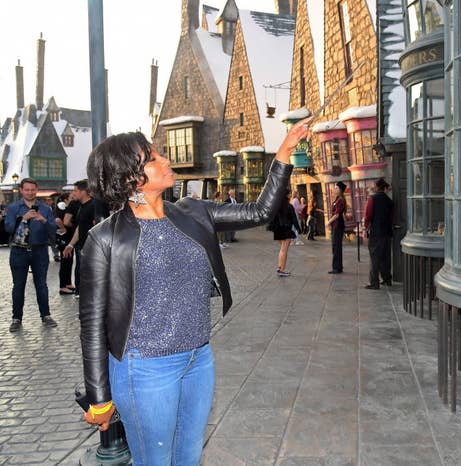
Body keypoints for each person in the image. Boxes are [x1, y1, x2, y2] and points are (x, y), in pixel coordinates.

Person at [78, 119, 308, 465]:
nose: (165, 159)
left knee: (188, 456)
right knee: (156, 460)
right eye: (153, 158)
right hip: (145, 370)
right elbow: (92, 324)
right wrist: (99, 398)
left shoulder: (192, 212)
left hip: (198, 359)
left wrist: (286, 149)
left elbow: (260, 211)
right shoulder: (104, 238)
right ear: (130, 178)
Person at [4, 178, 58, 332]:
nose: (30, 192)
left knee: (41, 285)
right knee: (18, 286)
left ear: (36, 190)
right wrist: (22, 218)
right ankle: (16, 318)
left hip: (39, 251)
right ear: (21, 190)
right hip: (19, 251)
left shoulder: (45, 209)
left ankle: (46, 316)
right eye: (26, 189)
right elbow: (7, 229)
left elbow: (53, 231)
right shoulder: (14, 207)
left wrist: (43, 221)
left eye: (32, 189)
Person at [62, 179, 110, 298]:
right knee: (82, 273)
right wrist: (71, 245)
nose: (73, 193)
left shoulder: (95, 206)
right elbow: (80, 227)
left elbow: (100, 227)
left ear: (84, 192)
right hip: (82, 247)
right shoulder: (81, 207)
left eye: (75, 190)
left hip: (92, 249)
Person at [364, 178, 394, 289]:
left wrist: (365, 228)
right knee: (386, 257)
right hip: (387, 232)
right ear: (384, 188)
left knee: (374, 257)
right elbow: (391, 218)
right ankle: (387, 279)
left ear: (377, 187)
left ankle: (374, 282)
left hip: (376, 232)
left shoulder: (372, 199)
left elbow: (368, 216)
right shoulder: (390, 201)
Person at [269, 189, 300, 277]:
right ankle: (281, 269)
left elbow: (272, 218)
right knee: (284, 250)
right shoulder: (289, 206)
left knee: (282, 250)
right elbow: (294, 219)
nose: (291, 195)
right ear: (286, 195)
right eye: (289, 193)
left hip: (278, 230)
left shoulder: (277, 206)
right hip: (285, 229)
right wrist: (298, 229)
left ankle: (281, 268)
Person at [54, 192, 76, 294]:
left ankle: (68, 283)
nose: (73, 198)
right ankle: (62, 286)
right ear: (66, 199)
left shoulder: (67, 207)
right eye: (71, 197)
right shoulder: (61, 207)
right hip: (64, 238)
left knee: (69, 260)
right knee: (65, 261)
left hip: (68, 238)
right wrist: (64, 229)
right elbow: (58, 220)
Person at [326, 181, 347, 274]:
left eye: (336, 188)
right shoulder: (337, 199)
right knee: (335, 246)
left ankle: (337, 268)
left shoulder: (340, 200)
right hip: (336, 225)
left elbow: (337, 214)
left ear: (340, 190)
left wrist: (328, 222)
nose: (334, 189)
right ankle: (338, 267)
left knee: (336, 246)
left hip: (338, 226)